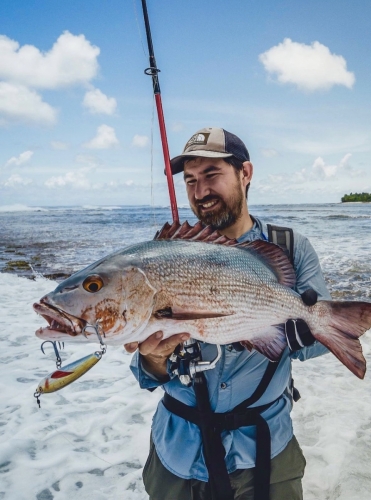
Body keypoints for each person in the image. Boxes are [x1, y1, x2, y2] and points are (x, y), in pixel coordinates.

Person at [125, 127, 331, 500]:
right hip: (178, 457)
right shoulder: (165, 254)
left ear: (245, 173)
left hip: (266, 455)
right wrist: (153, 361)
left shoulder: (290, 247)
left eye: (211, 175)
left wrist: (306, 334)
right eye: (190, 180)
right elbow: (145, 377)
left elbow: (324, 341)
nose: (199, 192)